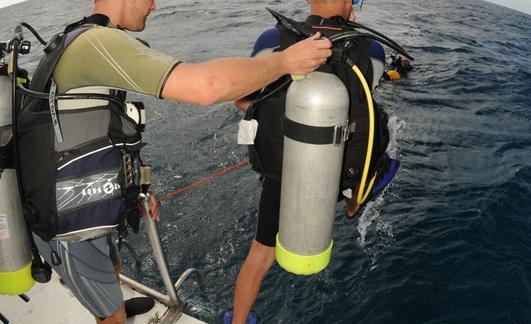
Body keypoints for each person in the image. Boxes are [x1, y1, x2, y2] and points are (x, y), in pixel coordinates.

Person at [16, 0, 332, 323]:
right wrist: (285, 61)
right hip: (69, 226)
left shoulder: (88, 38)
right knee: (110, 317)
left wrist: (133, 185)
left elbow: (95, 132)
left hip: (91, 206)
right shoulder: (95, 43)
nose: (154, 7)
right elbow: (206, 87)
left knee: (113, 270)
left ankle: (114, 305)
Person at [229, 1, 400, 323]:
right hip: (342, 171)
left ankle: (238, 321)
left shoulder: (271, 40)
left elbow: (243, 99)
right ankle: (354, 202)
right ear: (352, 3)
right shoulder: (373, 50)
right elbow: (364, 101)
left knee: (260, 254)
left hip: (284, 171)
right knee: (378, 145)